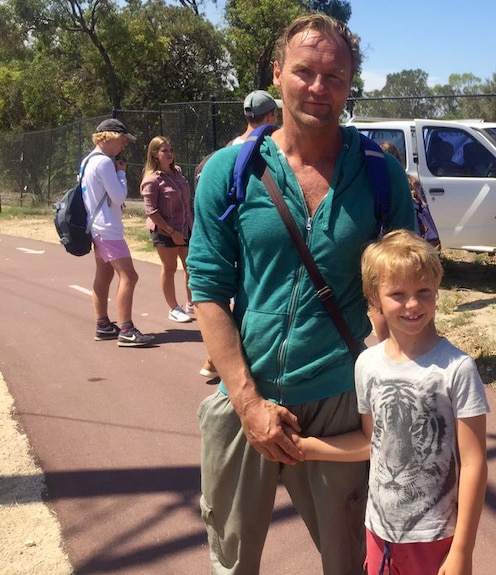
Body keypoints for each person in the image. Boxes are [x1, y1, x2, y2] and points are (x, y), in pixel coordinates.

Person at [187, 14, 415, 575]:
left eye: (334, 76)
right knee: (232, 559)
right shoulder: (228, 171)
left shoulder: (380, 176)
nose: (318, 87)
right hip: (247, 394)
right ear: (278, 73)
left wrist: (386, 364)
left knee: (351, 561)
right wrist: (246, 403)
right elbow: (209, 288)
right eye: (304, 72)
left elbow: (408, 285)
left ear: (350, 83)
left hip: (343, 399)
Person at [291, 229, 489, 575]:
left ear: (436, 292)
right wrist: (305, 447)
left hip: (434, 537)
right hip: (379, 531)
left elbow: (473, 464)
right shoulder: (367, 363)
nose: (412, 304)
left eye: (423, 291)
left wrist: (463, 551)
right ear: (374, 297)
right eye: (398, 294)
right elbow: (372, 442)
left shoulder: (457, 368)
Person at [197, 89, 283, 380]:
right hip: (252, 235)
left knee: (224, 294)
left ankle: (215, 357)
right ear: (271, 115)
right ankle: (222, 358)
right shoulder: (267, 147)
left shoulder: (230, 149)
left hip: (228, 231)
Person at [86, 118, 155, 348]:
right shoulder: (105, 163)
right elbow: (118, 197)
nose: (124, 145)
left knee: (103, 276)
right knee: (129, 276)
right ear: (111, 137)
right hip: (108, 229)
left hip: (96, 226)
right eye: (123, 140)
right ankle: (126, 329)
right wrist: (122, 174)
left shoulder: (87, 161)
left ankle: (103, 324)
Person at [141, 136, 194, 323]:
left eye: (171, 150)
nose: (169, 154)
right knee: (170, 268)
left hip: (186, 227)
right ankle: (173, 308)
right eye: (164, 150)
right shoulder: (152, 180)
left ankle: (191, 303)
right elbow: (151, 212)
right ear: (155, 154)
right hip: (165, 231)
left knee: (191, 267)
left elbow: (187, 201)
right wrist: (172, 233)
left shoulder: (178, 172)